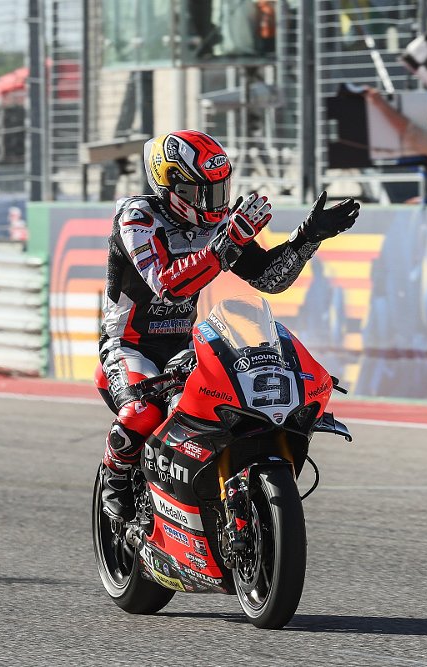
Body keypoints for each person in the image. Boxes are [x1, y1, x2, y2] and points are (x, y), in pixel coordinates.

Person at [95, 129, 360, 521]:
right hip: (129, 346)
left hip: (185, 344)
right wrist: (225, 243)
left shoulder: (214, 225)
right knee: (142, 411)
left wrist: (307, 238)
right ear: (174, 187)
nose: (215, 204)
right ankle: (114, 477)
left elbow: (269, 280)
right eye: (205, 192)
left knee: (234, 401)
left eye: (220, 190)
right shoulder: (137, 218)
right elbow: (169, 286)